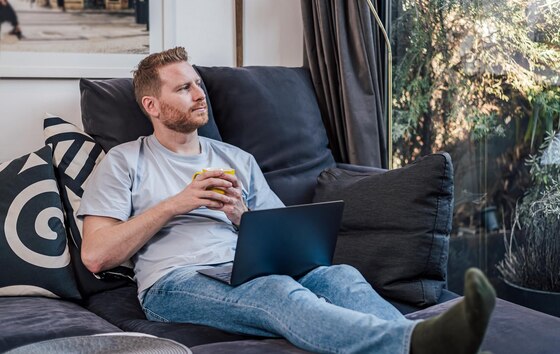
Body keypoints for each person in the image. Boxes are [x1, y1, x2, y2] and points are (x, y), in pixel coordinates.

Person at [78, 46, 496, 354]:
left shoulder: (236, 160)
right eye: (184, 88)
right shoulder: (124, 161)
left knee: (339, 276)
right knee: (275, 291)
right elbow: (97, 256)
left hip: (249, 265)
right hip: (175, 281)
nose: (199, 94)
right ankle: (418, 344)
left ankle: (437, 346)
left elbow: (286, 236)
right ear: (152, 105)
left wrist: (243, 216)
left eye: (198, 84)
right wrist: (176, 203)